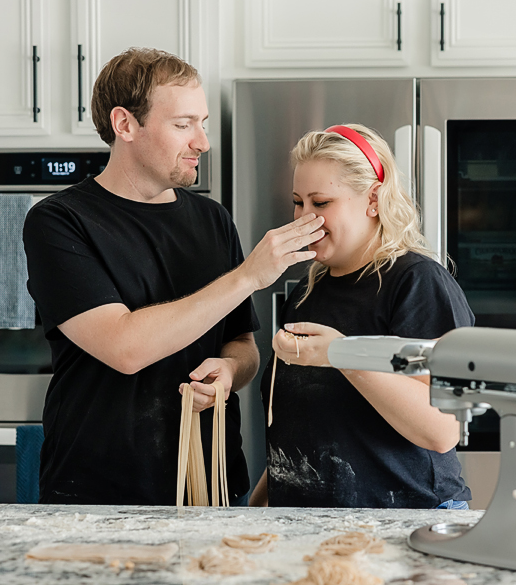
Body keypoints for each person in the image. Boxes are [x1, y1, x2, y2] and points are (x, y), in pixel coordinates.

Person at [22, 47, 325, 505]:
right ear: (125, 125)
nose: (202, 142)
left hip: (211, 486)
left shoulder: (213, 220)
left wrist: (229, 373)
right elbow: (125, 348)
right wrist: (248, 276)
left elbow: (242, 346)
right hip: (97, 491)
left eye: (202, 123)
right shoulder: (60, 221)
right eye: (184, 125)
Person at [251, 124, 475, 509]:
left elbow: (443, 429)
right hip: (306, 527)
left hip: (405, 521)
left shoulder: (416, 282)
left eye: (320, 204)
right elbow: (300, 435)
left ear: (373, 199)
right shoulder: (307, 292)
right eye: (297, 202)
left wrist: (343, 355)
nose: (304, 219)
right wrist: (254, 511)